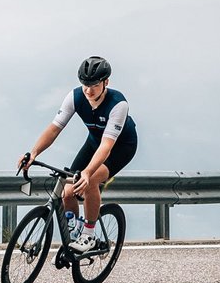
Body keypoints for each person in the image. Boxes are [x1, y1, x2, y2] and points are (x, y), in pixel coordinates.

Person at [17, 56, 138, 253]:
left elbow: (107, 146)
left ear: (106, 82)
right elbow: (55, 128)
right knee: (67, 192)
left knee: (89, 181)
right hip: (93, 143)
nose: (89, 90)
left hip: (121, 147)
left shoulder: (118, 104)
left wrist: (88, 172)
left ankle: (88, 235)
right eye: (85, 85)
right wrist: (34, 153)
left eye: (94, 85)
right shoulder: (75, 97)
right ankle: (73, 233)